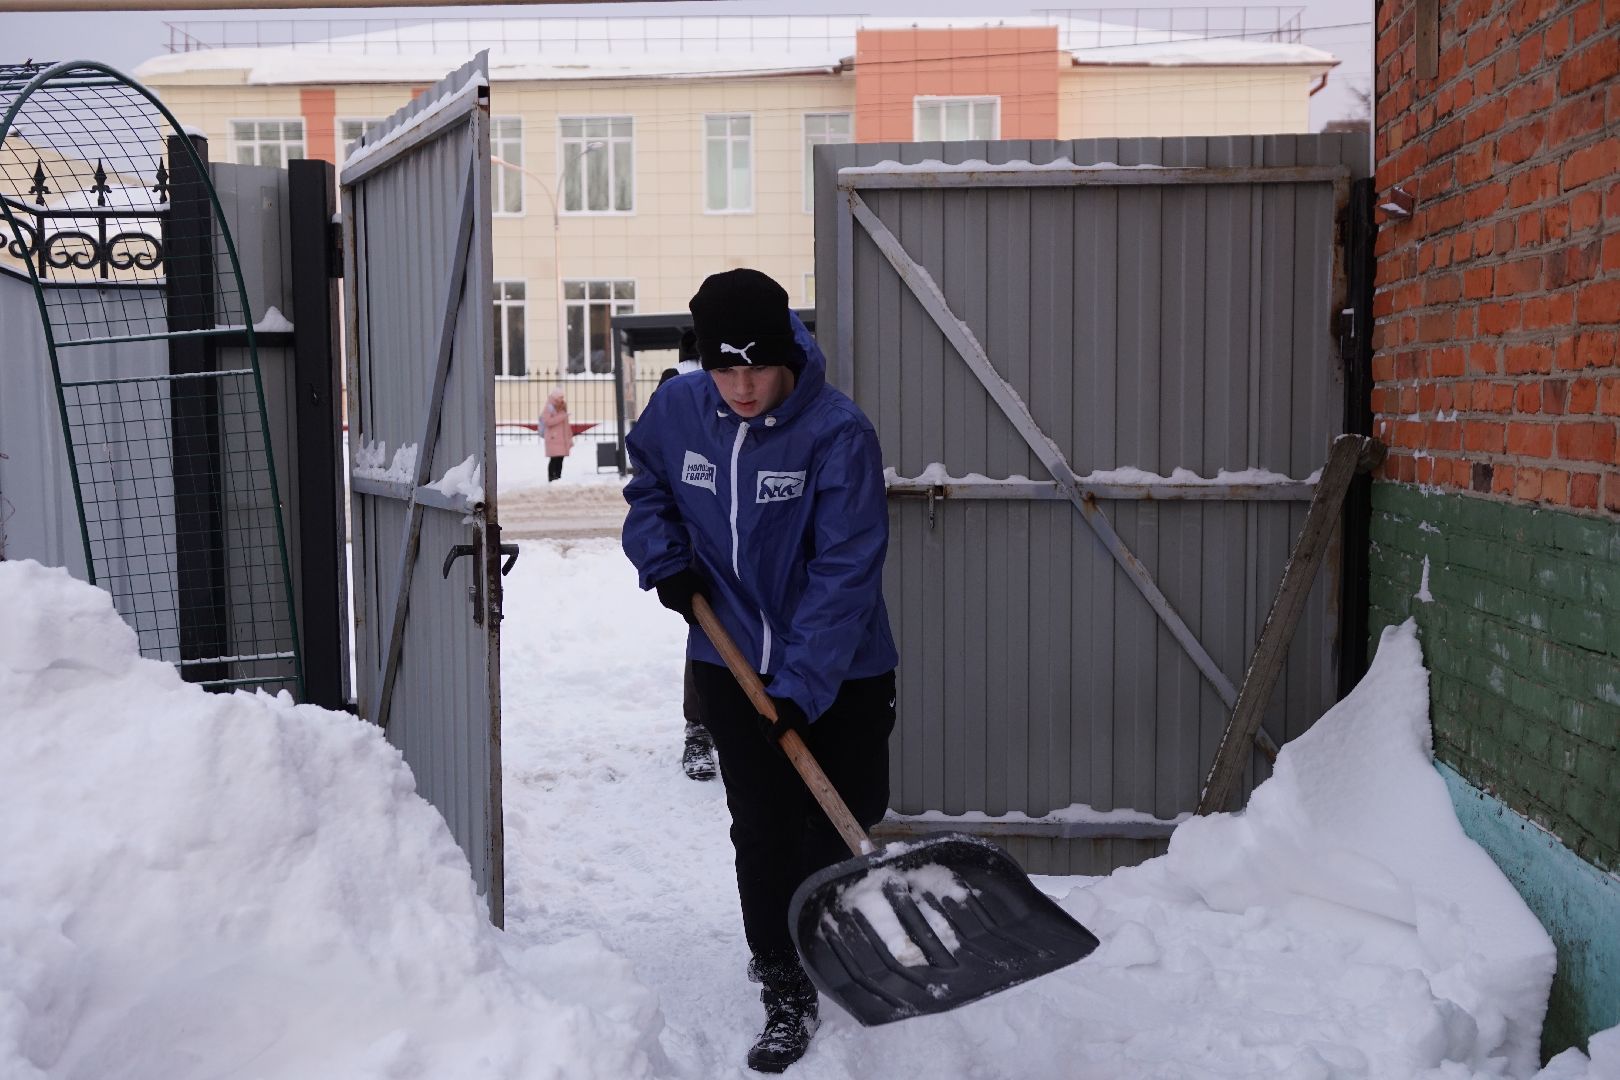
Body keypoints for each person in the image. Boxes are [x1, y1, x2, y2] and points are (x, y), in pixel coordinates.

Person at [621, 269, 897, 1073]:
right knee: (763, 827)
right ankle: (783, 982)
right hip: (729, 655)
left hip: (841, 667)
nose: (741, 386)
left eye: (756, 367)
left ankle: (828, 931)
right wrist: (665, 559)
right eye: (724, 368)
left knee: (847, 809)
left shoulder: (837, 433)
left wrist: (801, 689)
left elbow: (846, 571)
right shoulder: (679, 409)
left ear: (786, 356)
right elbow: (648, 489)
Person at [658, 349, 718, 783]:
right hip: (699, 542)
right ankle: (698, 729)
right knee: (706, 632)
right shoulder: (674, 390)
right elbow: (654, 482)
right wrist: (670, 561)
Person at [540, 387, 571, 482]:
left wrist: (569, 437)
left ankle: (558, 478)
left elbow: (566, 425)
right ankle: (551, 478)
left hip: (562, 439)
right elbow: (547, 421)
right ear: (555, 397)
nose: (562, 399)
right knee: (554, 459)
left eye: (562, 397)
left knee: (560, 459)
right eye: (560, 397)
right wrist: (561, 417)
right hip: (553, 438)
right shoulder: (549, 407)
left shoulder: (562, 407)